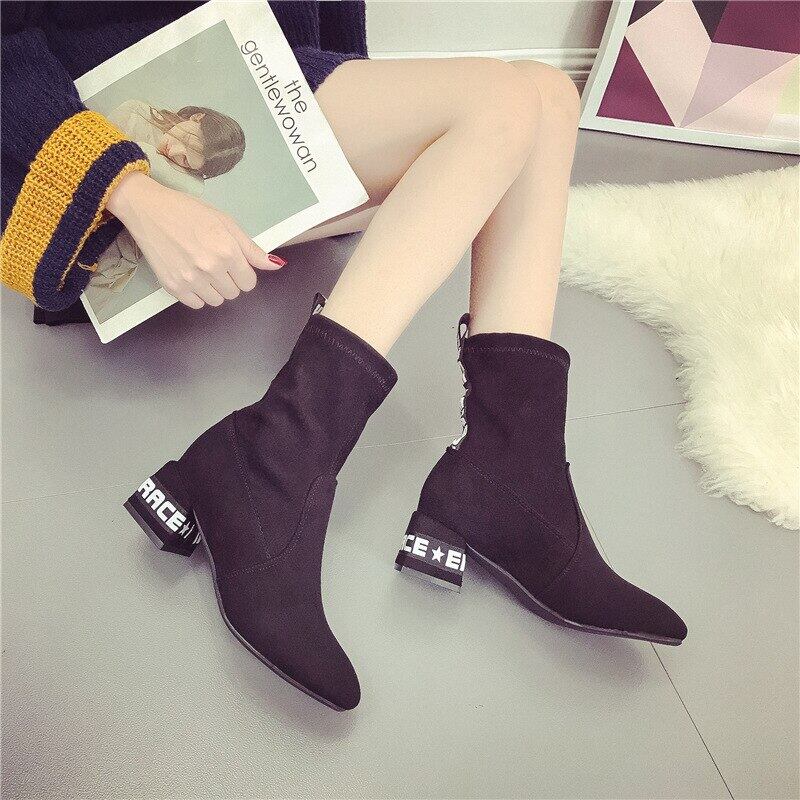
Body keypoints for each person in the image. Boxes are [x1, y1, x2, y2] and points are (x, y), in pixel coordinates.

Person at [1, 0, 686, 713]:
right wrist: (128, 191)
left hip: (239, 89)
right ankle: (275, 455)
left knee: (547, 95)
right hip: (89, 151)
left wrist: (351, 105)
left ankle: (512, 468)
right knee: (502, 105)